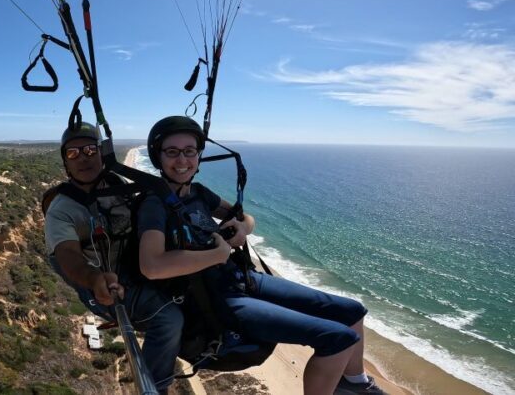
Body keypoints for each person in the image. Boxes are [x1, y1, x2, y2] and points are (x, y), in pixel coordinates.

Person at [136, 116, 386, 395]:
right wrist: (217, 255)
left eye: (189, 151)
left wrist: (241, 228)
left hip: (242, 278)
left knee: (352, 311)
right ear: (158, 157)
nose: (182, 159)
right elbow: (152, 265)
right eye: (172, 152)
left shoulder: (198, 194)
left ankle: (355, 383)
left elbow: (246, 218)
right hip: (217, 298)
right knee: (337, 339)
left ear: (198, 155)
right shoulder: (154, 205)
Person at [43, 122, 183, 393]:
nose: (83, 157)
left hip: (132, 265)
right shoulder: (62, 210)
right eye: (73, 153)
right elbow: (68, 255)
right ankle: (157, 388)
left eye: (89, 149)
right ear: (65, 164)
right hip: (100, 283)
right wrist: (94, 279)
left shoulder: (116, 185)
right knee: (169, 318)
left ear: (102, 154)